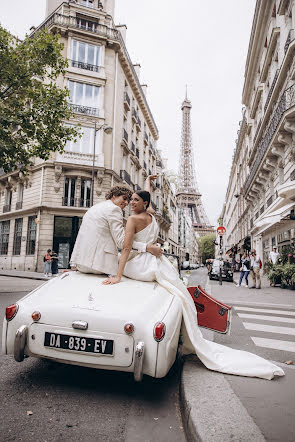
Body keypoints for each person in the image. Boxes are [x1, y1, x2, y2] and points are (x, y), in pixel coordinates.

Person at [102, 177, 284, 380]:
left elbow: (126, 247)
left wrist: (118, 275)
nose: (132, 203)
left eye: (135, 200)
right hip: (155, 261)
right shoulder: (151, 215)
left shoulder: (133, 219)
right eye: (131, 200)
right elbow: (148, 201)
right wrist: (146, 183)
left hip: (139, 263)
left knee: (111, 264)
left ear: (143, 203)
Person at [70, 182, 162, 275]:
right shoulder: (114, 209)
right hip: (99, 266)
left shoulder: (94, 208)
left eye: (128, 200)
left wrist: (148, 180)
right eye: (124, 198)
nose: (127, 203)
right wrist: (146, 247)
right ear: (114, 196)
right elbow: (122, 242)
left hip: (80, 264)